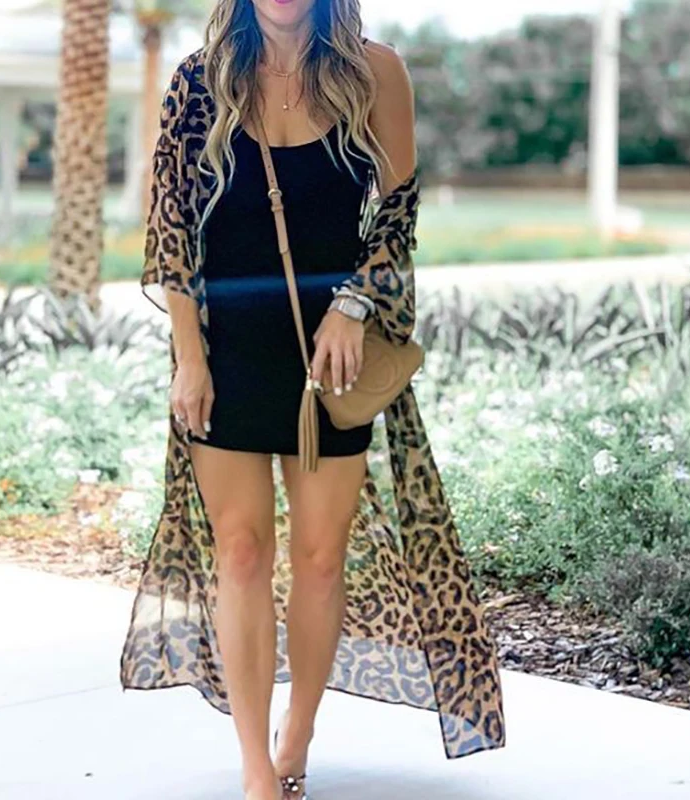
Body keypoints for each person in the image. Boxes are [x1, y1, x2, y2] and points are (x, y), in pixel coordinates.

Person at [120, 1, 506, 798]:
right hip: (228, 348)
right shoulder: (200, 79)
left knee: (322, 560)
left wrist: (355, 306)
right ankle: (256, 768)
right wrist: (188, 358)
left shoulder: (375, 72)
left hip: (335, 354)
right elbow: (171, 229)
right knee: (241, 553)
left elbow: (396, 213)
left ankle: (297, 736)